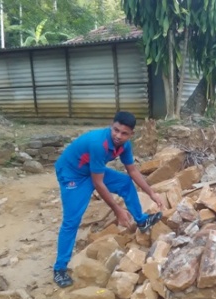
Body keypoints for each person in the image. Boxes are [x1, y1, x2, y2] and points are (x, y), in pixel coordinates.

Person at [52, 111, 163, 288]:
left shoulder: (124, 146)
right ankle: (59, 269)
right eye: (116, 130)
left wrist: (151, 193)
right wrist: (117, 209)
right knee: (71, 220)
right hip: (72, 173)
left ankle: (142, 221)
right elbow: (98, 183)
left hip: (90, 170)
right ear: (111, 126)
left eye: (124, 133)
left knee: (125, 182)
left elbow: (132, 171)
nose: (118, 136)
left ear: (131, 134)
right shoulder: (99, 143)